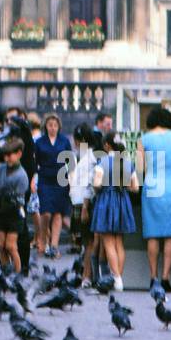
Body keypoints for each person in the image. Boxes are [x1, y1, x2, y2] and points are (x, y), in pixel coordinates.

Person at [136, 106, 171, 293]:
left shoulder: (144, 139)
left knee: (153, 233)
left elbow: (141, 168)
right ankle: (166, 278)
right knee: (170, 234)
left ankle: (153, 277)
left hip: (153, 185)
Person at [90, 129, 138, 291]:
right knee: (119, 242)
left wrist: (100, 189)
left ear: (107, 145)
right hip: (122, 200)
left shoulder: (102, 162)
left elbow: (96, 184)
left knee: (108, 241)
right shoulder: (127, 162)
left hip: (105, 200)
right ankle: (118, 278)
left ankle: (116, 278)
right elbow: (135, 187)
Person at [33, 113, 73, 258]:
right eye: (50, 125)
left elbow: (70, 161)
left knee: (58, 213)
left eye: (55, 125)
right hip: (45, 179)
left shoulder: (64, 141)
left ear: (59, 127)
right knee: (46, 213)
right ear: (45, 126)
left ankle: (54, 246)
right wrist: (33, 179)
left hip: (61, 180)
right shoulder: (39, 142)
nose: (53, 128)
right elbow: (34, 162)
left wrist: (72, 179)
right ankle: (43, 239)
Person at [0, 137, 29, 274]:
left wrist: (4, 196)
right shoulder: (1, 169)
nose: (7, 159)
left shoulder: (22, 175)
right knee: (1, 245)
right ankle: (6, 272)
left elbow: (19, 198)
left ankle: (18, 274)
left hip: (14, 213)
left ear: (19, 154)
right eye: (5, 156)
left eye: (9, 155)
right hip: (1, 212)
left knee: (11, 246)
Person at [69, 123, 97, 288]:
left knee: (89, 242)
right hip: (79, 202)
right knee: (85, 242)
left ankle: (87, 275)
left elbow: (88, 185)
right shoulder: (85, 157)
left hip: (83, 203)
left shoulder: (90, 158)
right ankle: (86, 274)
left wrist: (86, 207)